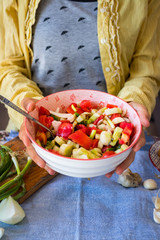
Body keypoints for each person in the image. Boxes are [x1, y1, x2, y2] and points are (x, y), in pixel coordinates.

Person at [0, 0, 159, 177]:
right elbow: (7, 67)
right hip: (29, 139)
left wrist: (132, 105)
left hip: (117, 159)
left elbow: (147, 68)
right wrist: (27, 105)